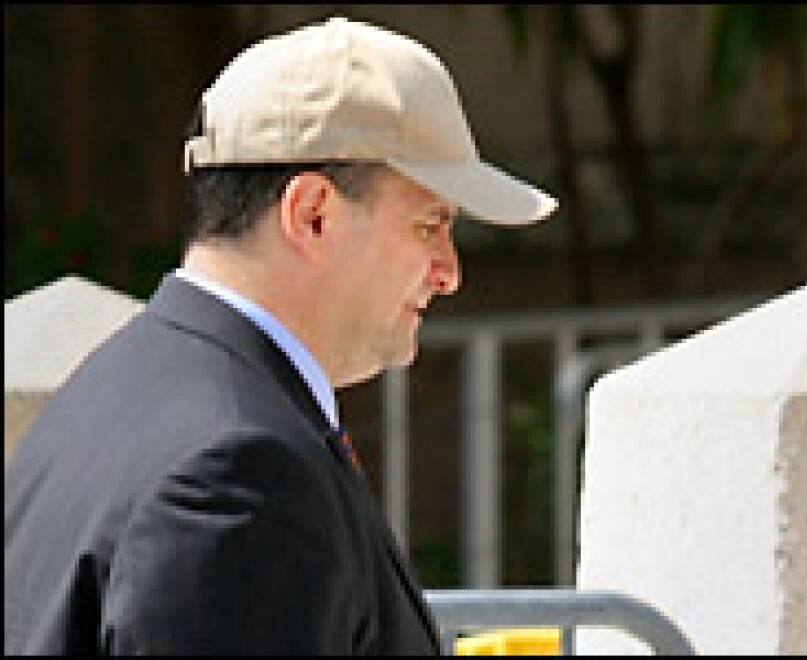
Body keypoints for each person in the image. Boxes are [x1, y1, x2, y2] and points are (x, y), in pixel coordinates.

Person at [4, 16, 556, 655]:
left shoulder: (115, 391)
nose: (450, 272)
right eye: (430, 224)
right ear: (312, 215)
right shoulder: (238, 471)